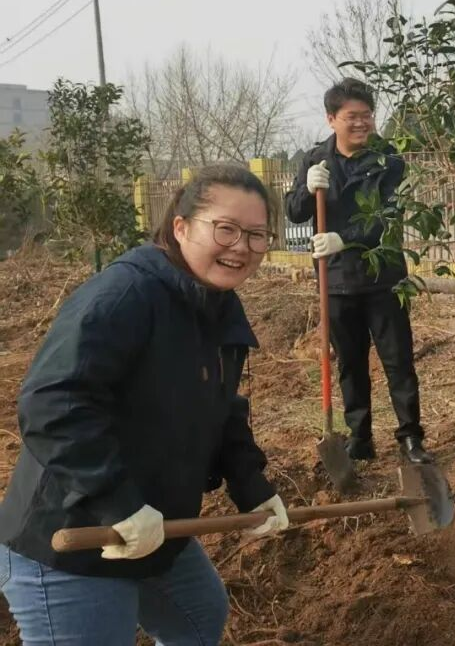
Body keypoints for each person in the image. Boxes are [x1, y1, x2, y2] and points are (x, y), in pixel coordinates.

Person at [0, 164, 290, 645]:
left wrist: (251, 486)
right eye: (226, 229)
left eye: (257, 235)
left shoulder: (217, 304)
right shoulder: (125, 296)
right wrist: (119, 503)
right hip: (76, 538)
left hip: (155, 530)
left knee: (197, 616)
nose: (242, 246)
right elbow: (52, 403)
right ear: (180, 226)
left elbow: (220, 405)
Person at [286, 78, 432, 465]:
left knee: (398, 360)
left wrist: (343, 238)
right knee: (350, 363)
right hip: (335, 281)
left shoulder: (389, 160)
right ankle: (360, 438)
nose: (362, 123)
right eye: (352, 116)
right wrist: (305, 188)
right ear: (331, 118)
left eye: (367, 115)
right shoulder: (315, 159)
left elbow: (388, 217)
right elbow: (295, 211)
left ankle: (410, 438)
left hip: (383, 277)